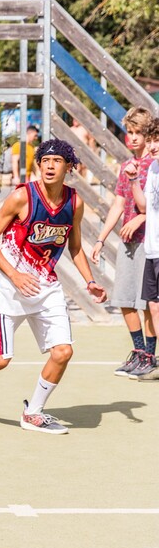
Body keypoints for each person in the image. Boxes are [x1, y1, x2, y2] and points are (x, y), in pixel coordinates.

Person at [0, 139, 106, 434]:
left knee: (63, 352)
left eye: (57, 161)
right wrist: (13, 275)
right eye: (45, 161)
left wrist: (90, 280)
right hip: (11, 288)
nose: (50, 166)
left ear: (69, 167)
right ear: (39, 165)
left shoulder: (74, 202)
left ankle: (33, 413)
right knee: (1, 360)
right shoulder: (23, 196)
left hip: (46, 287)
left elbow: (75, 248)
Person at [91, 107, 154, 376]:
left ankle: (151, 356)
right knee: (126, 299)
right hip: (129, 244)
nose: (134, 137)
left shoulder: (155, 164)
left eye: (139, 132)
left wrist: (141, 219)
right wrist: (101, 239)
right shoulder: (127, 165)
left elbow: (153, 206)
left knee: (148, 303)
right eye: (130, 132)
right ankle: (139, 352)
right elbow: (118, 203)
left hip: (150, 243)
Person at [128, 119, 159, 381]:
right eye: (150, 140)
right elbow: (145, 207)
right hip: (153, 249)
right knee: (154, 306)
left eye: (156, 139)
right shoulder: (154, 169)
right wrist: (135, 179)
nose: (152, 145)